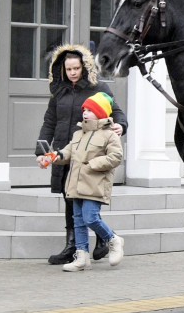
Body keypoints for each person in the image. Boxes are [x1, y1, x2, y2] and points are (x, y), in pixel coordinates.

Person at [36, 44, 127, 265]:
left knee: (88, 198)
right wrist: (42, 151)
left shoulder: (98, 87)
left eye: (76, 68)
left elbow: (117, 113)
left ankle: (104, 239)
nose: (73, 73)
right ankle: (74, 246)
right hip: (65, 151)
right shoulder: (58, 91)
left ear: (85, 67)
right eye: (68, 69)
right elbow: (49, 122)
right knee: (70, 199)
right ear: (62, 70)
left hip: (90, 156)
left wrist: (121, 126)